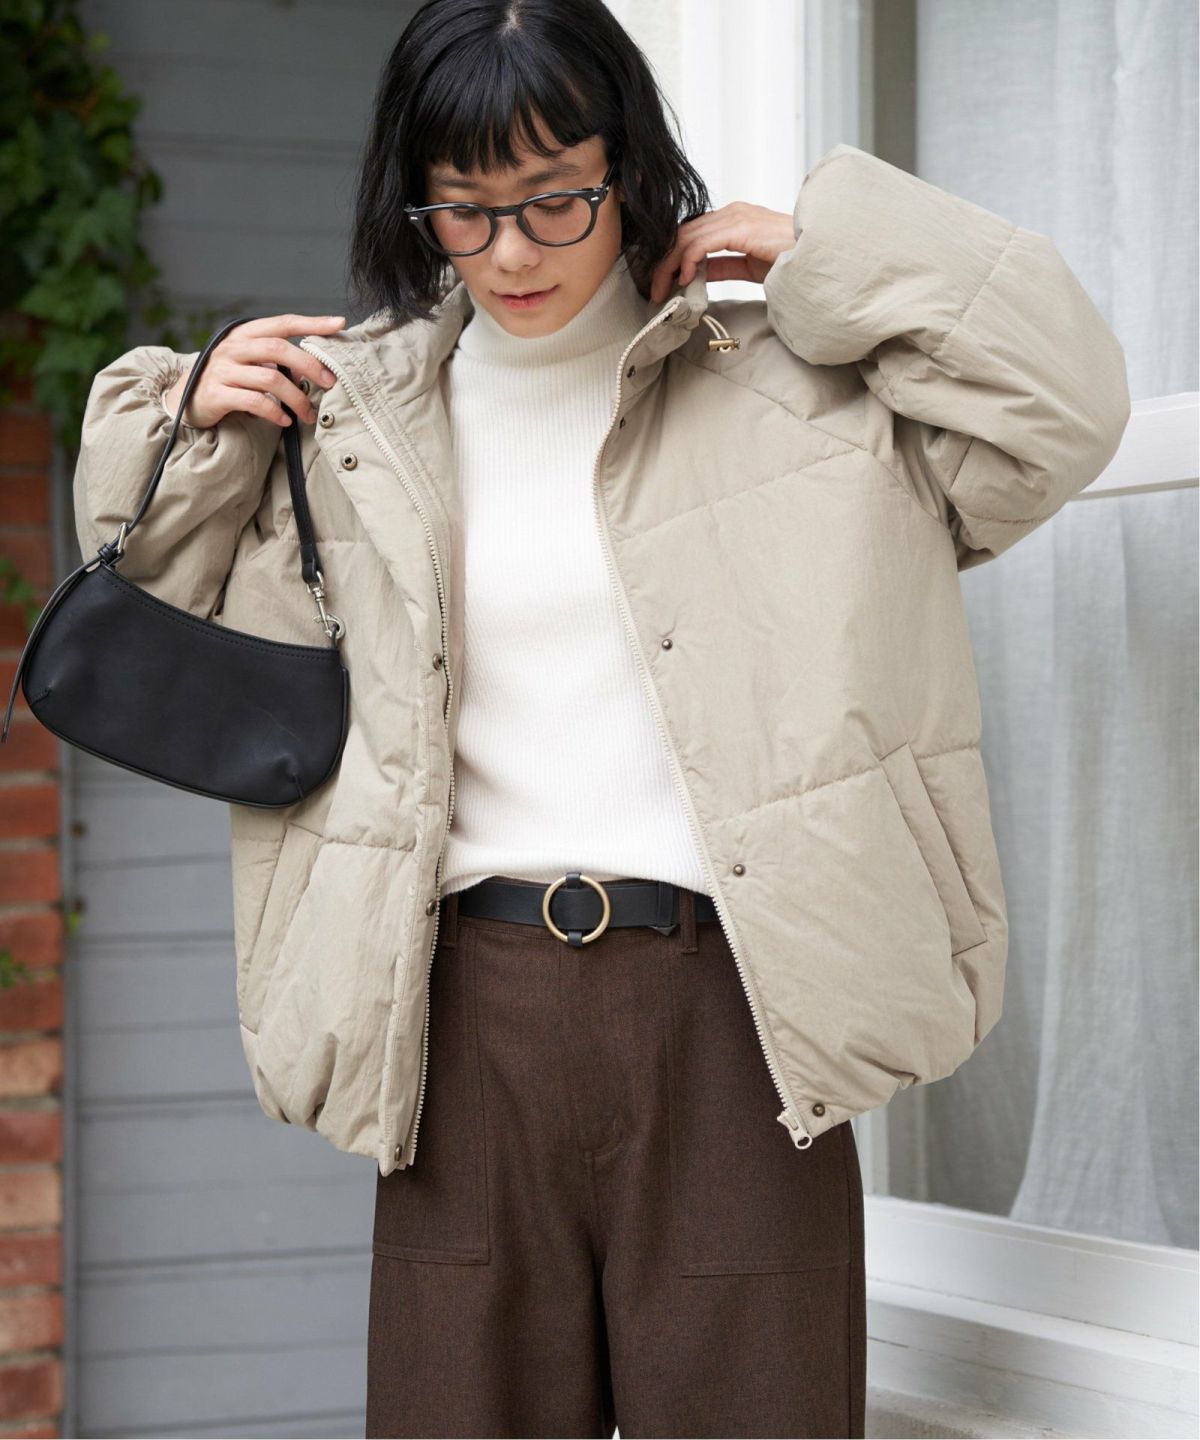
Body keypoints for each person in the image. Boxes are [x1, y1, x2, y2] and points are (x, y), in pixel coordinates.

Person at [72, 1, 1130, 1434]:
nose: (512, 252)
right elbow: (151, 605)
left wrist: (831, 255)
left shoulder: (795, 393)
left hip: (737, 1015)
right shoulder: (346, 427)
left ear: (627, 170)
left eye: (554, 198)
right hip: (457, 1020)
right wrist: (191, 422)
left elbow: (1066, 404)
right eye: (463, 209)